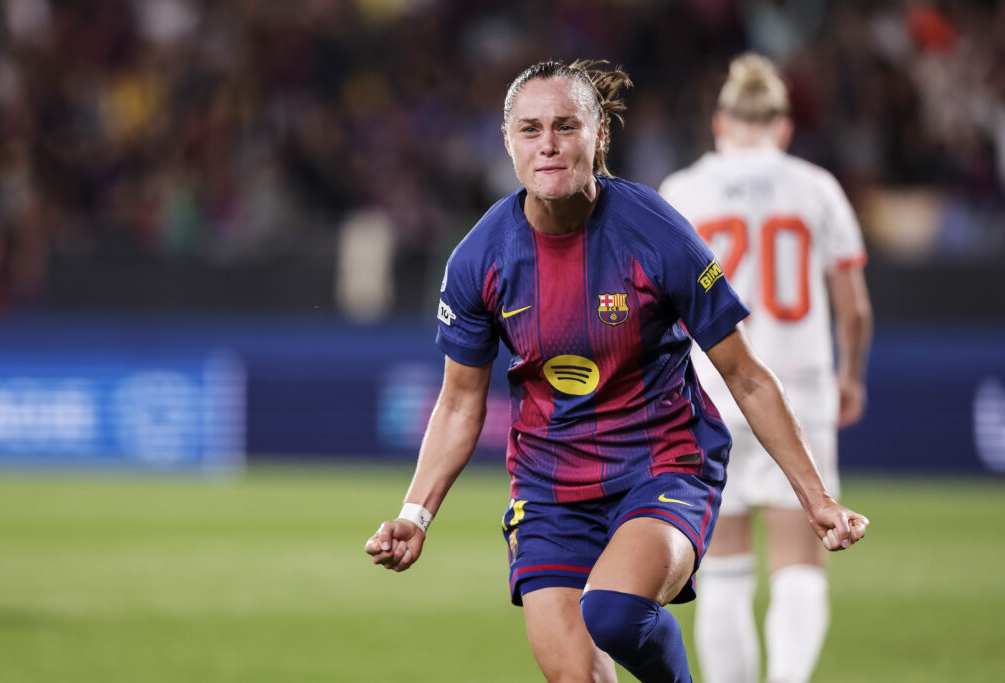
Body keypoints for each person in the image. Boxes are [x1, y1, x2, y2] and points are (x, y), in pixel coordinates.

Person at [365, 59, 868, 683]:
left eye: (565, 125)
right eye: (530, 129)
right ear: (507, 142)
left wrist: (816, 498)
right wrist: (415, 514)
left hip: (662, 466)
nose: (548, 144)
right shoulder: (479, 259)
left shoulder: (655, 231)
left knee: (614, 612)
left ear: (599, 134)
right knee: (577, 675)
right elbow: (460, 402)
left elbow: (745, 374)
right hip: (549, 489)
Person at [659, 53, 873, 683]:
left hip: (711, 388)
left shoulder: (683, 191)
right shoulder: (816, 187)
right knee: (800, 560)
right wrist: (851, 377)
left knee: (722, 568)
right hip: (799, 388)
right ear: (783, 127)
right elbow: (855, 308)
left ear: (719, 123)